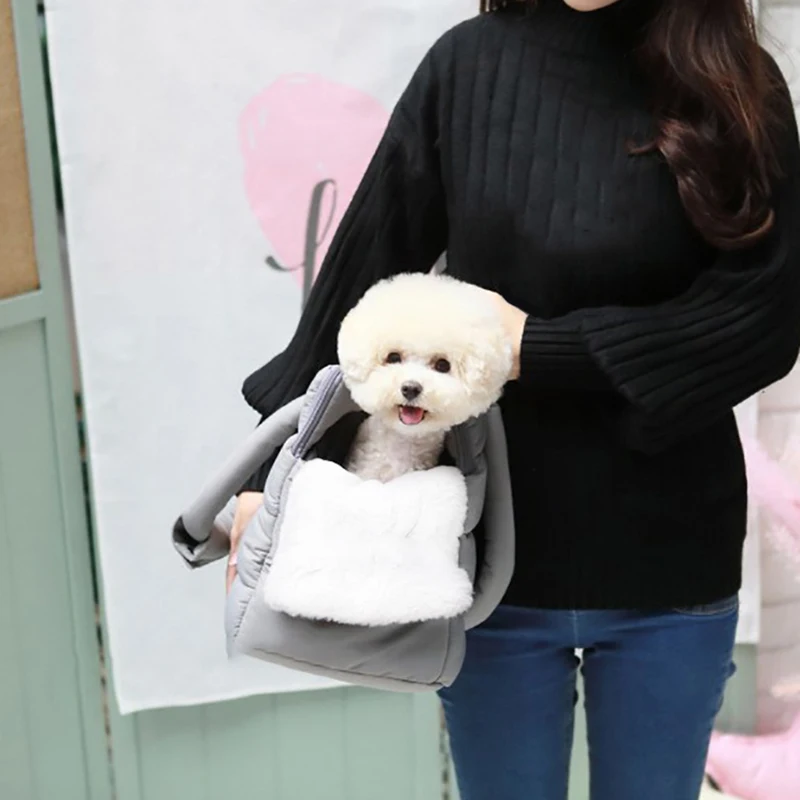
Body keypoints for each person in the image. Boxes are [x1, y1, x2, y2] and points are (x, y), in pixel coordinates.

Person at [228, 1, 800, 797]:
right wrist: (271, 475)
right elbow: (360, 278)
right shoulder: (466, 68)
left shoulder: (738, 85)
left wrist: (535, 347)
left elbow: (764, 321)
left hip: (671, 563)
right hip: (487, 561)